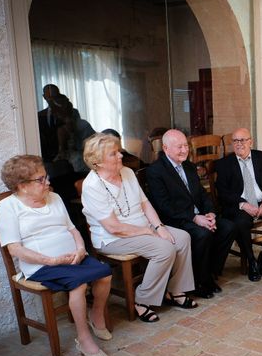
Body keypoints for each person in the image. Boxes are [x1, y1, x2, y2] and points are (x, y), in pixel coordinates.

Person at [0, 155, 112, 356]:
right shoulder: (7, 207)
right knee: (78, 284)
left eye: (46, 176)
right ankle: (84, 340)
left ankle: (96, 316)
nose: (47, 182)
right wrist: (51, 261)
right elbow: (14, 249)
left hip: (71, 258)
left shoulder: (55, 197)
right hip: (41, 265)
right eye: (40, 179)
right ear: (22, 186)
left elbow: (72, 229)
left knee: (104, 273)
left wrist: (80, 249)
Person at [81, 133, 197, 322]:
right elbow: (113, 227)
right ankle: (142, 300)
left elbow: (145, 204)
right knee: (164, 248)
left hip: (143, 227)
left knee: (182, 238)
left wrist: (159, 227)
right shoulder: (92, 185)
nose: (120, 156)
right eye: (113, 154)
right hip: (113, 238)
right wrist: (147, 231)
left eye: (119, 151)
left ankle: (175, 291)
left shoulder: (126, 172)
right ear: (98, 162)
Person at [146, 129, 235, 296]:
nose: (184, 150)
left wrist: (210, 213)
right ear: (165, 148)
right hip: (175, 220)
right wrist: (194, 218)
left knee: (228, 227)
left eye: (185, 145)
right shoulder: (156, 171)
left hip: (197, 216)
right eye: (179, 147)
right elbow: (164, 206)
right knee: (202, 234)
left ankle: (209, 273)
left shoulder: (188, 166)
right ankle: (200, 282)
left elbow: (201, 194)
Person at [215, 127, 262, 280]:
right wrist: (243, 204)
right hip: (240, 205)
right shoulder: (224, 164)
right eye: (235, 141)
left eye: (243, 140)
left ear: (251, 141)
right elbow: (223, 192)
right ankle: (251, 261)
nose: (239, 144)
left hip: (261, 201)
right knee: (240, 222)